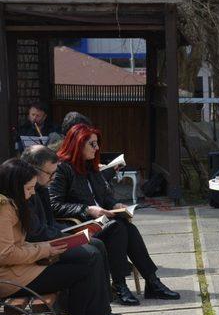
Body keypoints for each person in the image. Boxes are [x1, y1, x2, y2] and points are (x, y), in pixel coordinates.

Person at [49, 124, 180, 305]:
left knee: (127, 227)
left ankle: (152, 281)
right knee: (118, 228)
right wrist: (86, 209)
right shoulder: (62, 169)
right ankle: (120, 286)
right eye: (92, 144)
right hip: (77, 225)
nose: (97, 149)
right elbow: (53, 205)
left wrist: (115, 205)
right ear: (78, 145)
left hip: (101, 221)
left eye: (97, 144)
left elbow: (104, 197)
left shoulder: (91, 167)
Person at [0, 159, 114, 315]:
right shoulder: (3, 208)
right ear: (14, 186)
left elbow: (15, 246)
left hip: (19, 270)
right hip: (9, 279)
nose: (32, 193)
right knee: (82, 271)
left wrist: (47, 247)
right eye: (28, 188)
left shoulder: (11, 204)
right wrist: (45, 249)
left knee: (84, 261)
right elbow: (5, 254)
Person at [21, 145, 125, 315]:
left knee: (97, 244)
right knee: (90, 254)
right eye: (50, 174)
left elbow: (48, 223)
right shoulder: (26, 191)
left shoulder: (40, 187)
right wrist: (64, 236)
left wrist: (73, 232)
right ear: (32, 168)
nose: (53, 179)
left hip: (48, 242)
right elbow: (34, 233)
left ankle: (101, 312)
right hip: (40, 250)